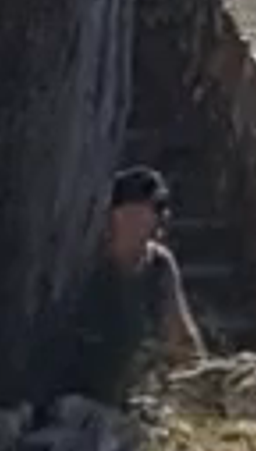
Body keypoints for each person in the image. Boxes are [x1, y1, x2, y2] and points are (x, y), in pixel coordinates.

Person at [60, 165, 203, 406]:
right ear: (120, 213)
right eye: (153, 208)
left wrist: (198, 380)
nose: (161, 217)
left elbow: (180, 335)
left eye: (162, 209)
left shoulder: (160, 265)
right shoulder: (88, 263)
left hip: (138, 395)